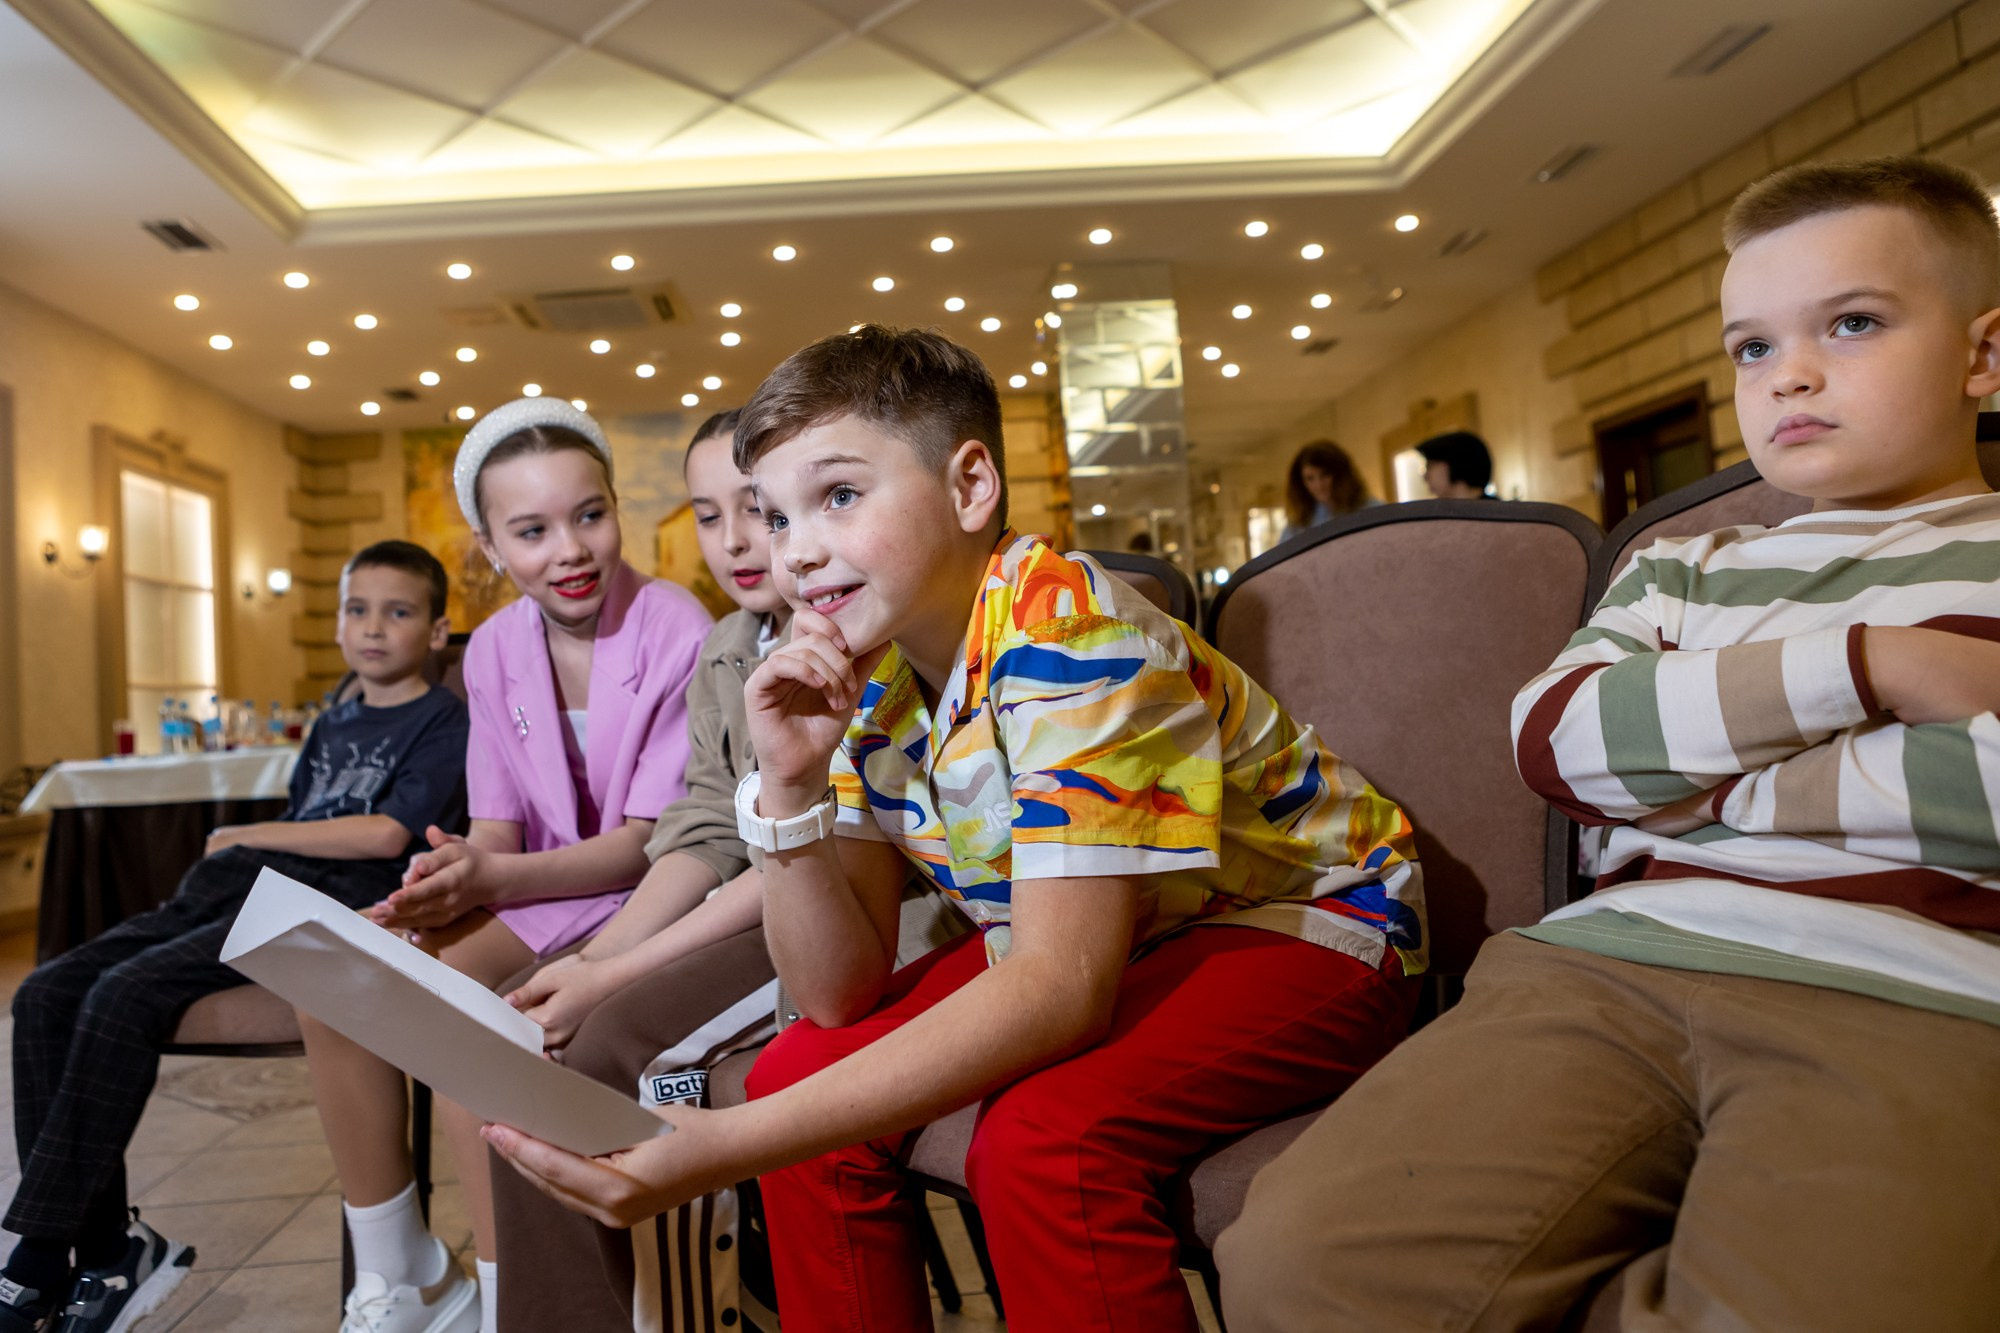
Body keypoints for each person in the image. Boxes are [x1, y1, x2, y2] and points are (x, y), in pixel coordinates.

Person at [485, 324, 1425, 1333]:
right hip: (1122, 930)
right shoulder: (866, 672)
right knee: (793, 1069)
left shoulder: (1071, 629)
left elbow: (1059, 992)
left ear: (971, 487)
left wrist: (730, 1141)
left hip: (1310, 925)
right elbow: (831, 992)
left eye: (837, 496)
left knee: (1042, 1140)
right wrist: (790, 787)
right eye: (773, 515)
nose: (793, 551)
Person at [1214, 154, 2000, 1330]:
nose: (1787, 373)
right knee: (1299, 1264)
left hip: (1913, 985)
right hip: (1601, 965)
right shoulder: (1687, 566)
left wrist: (1678, 780)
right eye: (1749, 346)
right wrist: (1873, 667)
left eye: (1849, 322)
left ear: (1981, 355)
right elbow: (1558, 743)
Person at [303, 399, 711, 1333]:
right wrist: (439, 889)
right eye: (531, 530)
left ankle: (503, 1297)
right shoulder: (491, 649)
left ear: (615, 508)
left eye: (589, 514)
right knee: (341, 968)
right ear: (489, 546)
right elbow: (496, 828)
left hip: (650, 895)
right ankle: (400, 1271)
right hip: (543, 892)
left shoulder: (677, 625)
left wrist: (485, 883)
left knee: (446, 1002)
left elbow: (649, 842)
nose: (569, 548)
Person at [0, 542, 467, 1333]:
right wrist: (248, 846)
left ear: (437, 628)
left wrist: (249, 832)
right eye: (358, 610)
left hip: (325, 898)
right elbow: (304, 816)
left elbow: (387, 834)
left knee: (123, 993)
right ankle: (112, 1246)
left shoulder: (444, 719)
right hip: (247, 880)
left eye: (399, 611)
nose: (374, 628)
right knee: (44, 992)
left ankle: (41, 1254)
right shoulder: (335, 716)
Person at [483, 408, 790, 1333]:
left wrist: (612, 971)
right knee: (529, 1022)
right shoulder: (733, 646)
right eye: (706, 514)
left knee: (594, 1044)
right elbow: (701, 829)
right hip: (742, 901)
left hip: (830, 918)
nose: (733, 539)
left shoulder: (834, 634)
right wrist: (593, 961)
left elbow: (798, 861)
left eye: (760, 508)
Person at [1281, 438, 1376, 539]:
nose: (1319, 485)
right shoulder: (1296, 528)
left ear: (1340, 474)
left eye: (1325, 475)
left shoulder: (1371, 510)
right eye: (1310, 478)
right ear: (1300, 483)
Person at [1415, 429, 1494, 499]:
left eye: (1430, 466)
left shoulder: (1499, 513)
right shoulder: (1441, 513)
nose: (1426, 476)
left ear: (1456, 464)